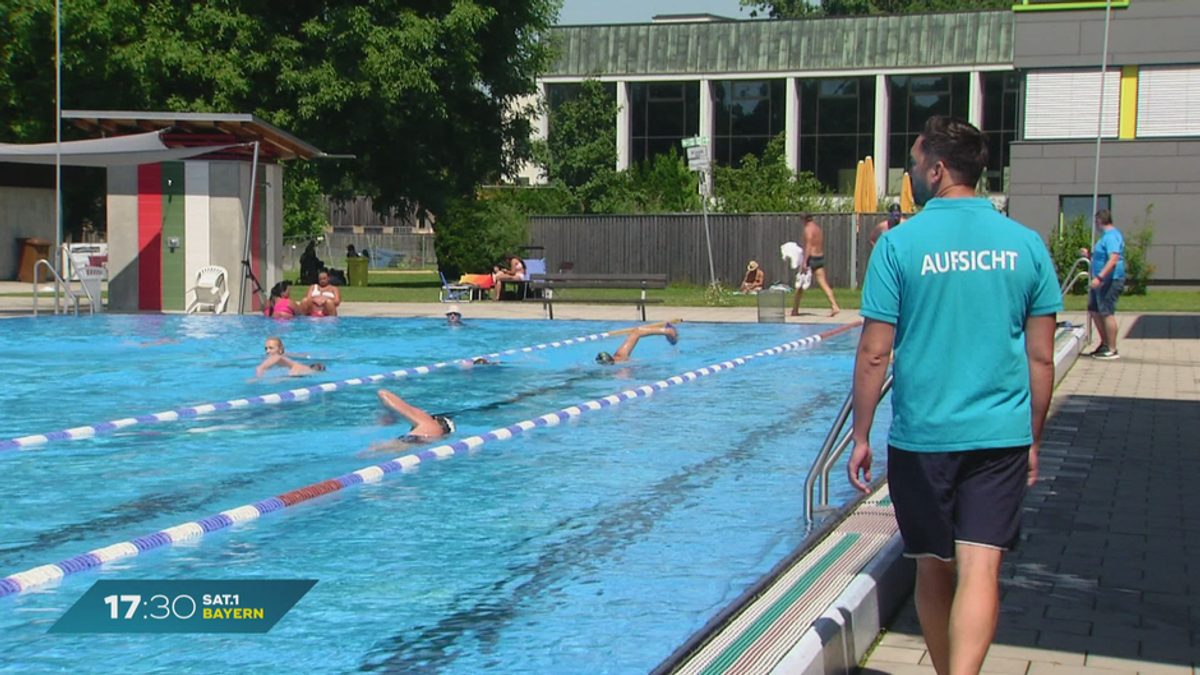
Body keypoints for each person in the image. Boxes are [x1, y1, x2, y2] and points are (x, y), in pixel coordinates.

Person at [848, 116, 1061, 675]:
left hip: (926, 436)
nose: (911, 174)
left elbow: (874, 353)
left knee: (933, 568)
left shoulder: (898, 245)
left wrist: (862, 435)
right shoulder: (1026, 245)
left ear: (937, 169)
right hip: (1000, 434)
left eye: (915, 164)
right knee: (982, 569)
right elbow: (1041, 358)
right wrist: (1032, 438)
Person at [1080, 209, 1125, 360]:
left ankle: (1112, 348)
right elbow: (1102, 256)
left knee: (1106, 312)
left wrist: (1100, 277)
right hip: (1100, 280)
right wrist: (1089, 255)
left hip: (1109, 280)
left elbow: (1113, 259)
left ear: (1100, 220)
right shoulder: (1105, 237)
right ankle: (1104, 342)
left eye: (1096, 221)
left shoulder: (1112, 236)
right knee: (1094, 309)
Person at [790, 214, 841, 317]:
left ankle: (794, 310)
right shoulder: (817, 229)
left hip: (811, 258)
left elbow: (808, 245)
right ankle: (834, 306)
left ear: (804, 219)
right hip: (819, 257)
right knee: (823, 283)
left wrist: (804, 261)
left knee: (799, 284)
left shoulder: (808, 230)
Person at [374, 389, 456, 447]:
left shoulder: (429, 422)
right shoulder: (436, 438)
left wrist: (391, 413)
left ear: (437, 419)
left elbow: (383, 393)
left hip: (406, 442)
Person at [595, 324, 679, 365]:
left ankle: (668, 331)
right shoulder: (619, 356)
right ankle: (668, 331)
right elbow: (637, 332)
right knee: (636, 332)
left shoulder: (620, 357)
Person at [255, 337, 326, 378]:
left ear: (280, 349)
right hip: (302, 374)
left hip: (310, 371)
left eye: (271, 348)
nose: (267, 351)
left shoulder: (278, 357)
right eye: (266, 348)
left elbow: (261, 368)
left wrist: (259, 374)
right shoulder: (280, 357)